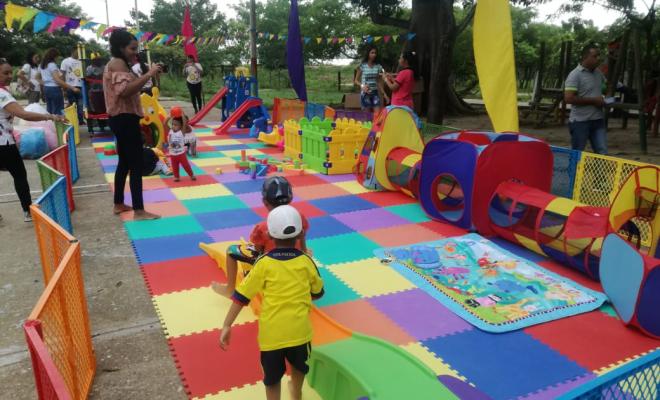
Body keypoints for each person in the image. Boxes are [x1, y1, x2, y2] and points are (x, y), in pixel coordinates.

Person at [219, 205, 324, 400]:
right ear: (301, 233)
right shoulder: (306, 262)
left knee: (272, 380)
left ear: (268, 235)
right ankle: (296, 392)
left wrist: (227, 325)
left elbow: (241, 297)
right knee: (300, 368)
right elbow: (318, 292)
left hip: (271, 337)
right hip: (300, 334)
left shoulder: (263, 263)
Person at [212, 176, 309, 298]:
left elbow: (258, 249)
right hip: (296, 256)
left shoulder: (263, 227)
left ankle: (230, 289)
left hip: (271, 263)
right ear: (291, 197)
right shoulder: (300, 216)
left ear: (264, 202)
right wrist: (304, 252)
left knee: (231, 251)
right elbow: (303, 235)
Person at [104, 29, 162, 220]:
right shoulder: (118, 63)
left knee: (124, 162)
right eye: (132, 48)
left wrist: (147, 76)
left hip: (121, 118)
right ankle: (139, 210)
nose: (135, 52)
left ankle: (118, 203)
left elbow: (130, 88)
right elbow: (125, 91)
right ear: (120, 47)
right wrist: (150, 73)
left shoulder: (119, 63)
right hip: (124, 118)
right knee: (135, 164)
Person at [0, 58, 66, 222]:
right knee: (20, 175)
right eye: (5, 73)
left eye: (10, 72)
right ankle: (28, 211)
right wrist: (49, 116)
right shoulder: (2, 95)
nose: (10, 76)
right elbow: (24, 114)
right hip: (4, 144)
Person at [564, 44, 608, 155]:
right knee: (578, 153)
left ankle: (600, 173)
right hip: (580, 122)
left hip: (597, 120)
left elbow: (603, 89)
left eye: (598, 56)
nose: (598, 59)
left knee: (602, 152)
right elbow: (568, 98)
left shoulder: (598, 73)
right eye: (595, 56)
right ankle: (574, 172)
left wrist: (605, 98)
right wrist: (594, 101)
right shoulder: (575, 75)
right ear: (585, 57)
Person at [40, 48, 79, 115]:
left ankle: (51, 124)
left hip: (46, 88)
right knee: (58, 110)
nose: (57, 58)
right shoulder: (52, 65)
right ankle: (58, 125)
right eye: (57, 57)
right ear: (54, 56)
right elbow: (57, 80)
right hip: (54, 89)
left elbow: (38, 77)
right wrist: (72, 88)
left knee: (50, 109)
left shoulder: (43, 65)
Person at [354, 46, 387, 113]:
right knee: (367, 117)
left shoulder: (378, 66)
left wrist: (384, 94)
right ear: (368, 54)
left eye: (375, 53)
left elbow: (378, 82)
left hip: (375, 93)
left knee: (377, 115)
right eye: (372, 53)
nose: (374, 54)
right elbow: (356, 80)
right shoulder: (362, 66)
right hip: (365, 93)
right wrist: (362, 86)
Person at [167, 115, 196, 182]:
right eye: (173, 124)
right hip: (172, 154)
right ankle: (176, 177)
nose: (173, 126)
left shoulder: (181, 132)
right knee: (174, 166)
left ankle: (191, 175)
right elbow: (164, 124)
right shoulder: (170, 131)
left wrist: (182, 115)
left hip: (181, 154)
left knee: (186, 165)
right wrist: (169, 116)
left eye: (176, 125)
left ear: (181, 126)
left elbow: (185, 123)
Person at [60, 48, 84, 123]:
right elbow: (62, 74)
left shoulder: (81, 61)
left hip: (80, 86)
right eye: (77, 51)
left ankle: (80, 121)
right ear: (72, 51)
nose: (78, 53)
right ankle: (69, 119)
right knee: (72, 104)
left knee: (80, 105)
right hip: (69, 86)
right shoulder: (65, 61)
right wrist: (63, 87)